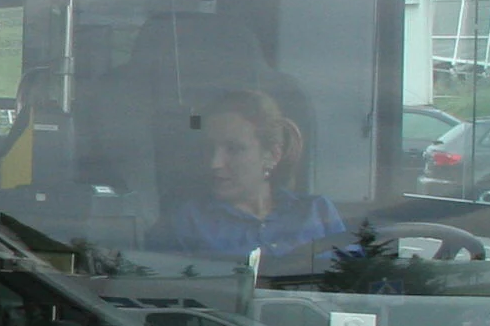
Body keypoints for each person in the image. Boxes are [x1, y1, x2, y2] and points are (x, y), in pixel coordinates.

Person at [146, 88, 349, 259]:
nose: (214, 163)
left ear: (272, 155)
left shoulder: (317, 212)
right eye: (209, 149)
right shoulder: (184, 223)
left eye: (234, 149)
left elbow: (356, 282)